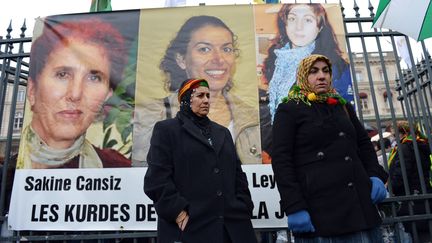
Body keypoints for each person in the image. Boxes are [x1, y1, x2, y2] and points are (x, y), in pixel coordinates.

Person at [271, 54, 388, 242]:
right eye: (314, 71)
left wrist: (375, 175)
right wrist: (294, 206)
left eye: (326, 71)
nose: (322, 76)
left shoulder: (342, 106)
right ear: (302, 76)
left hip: (359, 207)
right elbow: (282, 160)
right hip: (319, 214)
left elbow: (364, 145)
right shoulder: (289, 109)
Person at [133, 15, 261, 165]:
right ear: (181, 60)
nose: (219, 59)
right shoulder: (150, 116)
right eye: (204, 49)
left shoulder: (253, 119)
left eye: (226, 49)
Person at [144, 78, 257, 243]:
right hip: (191, 229)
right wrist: (178, 212)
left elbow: (237, 174)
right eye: (199, 96)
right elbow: (156, 179)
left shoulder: (222, 132)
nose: (206, 100)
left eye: (207, 96)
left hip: (232, 227)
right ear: (185, 99)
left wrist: (243, 205)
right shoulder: (167, 130)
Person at [16, 17, 131, 169]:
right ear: (32, 89)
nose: (75, 94)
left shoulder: (117, 168)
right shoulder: (8, 177)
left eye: (94, 78)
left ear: (108, 94)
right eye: (62, 74)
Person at [259, 4, 353, 161]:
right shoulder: (277, 60)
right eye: (292, 19)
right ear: (285, 24)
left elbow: (339, 115)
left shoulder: (334, 65)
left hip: (317, 152)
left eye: (308, 20)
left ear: (320, 27)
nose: (298, 27)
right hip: (281, 148)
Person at [388, 121, 432, 242]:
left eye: (394, 133)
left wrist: (390, 187)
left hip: (409, 195)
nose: (393, 136)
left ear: (402, 133)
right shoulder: (419, 144)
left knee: (414, 231)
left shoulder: (405, 147)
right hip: (422, 190)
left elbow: (401, 173)